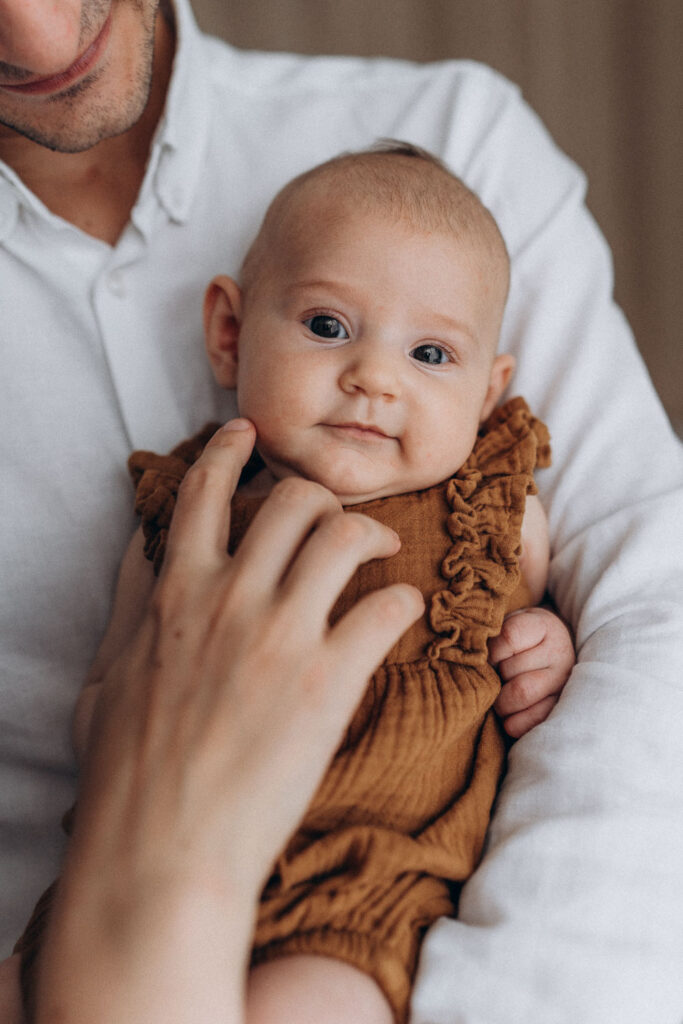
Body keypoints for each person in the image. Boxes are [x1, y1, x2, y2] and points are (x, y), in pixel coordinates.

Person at [1, 1, 682, 1022]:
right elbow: (114, 675)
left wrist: (537, 648)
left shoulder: (489, 508)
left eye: (429, 356)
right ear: (228, 337)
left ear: (489, 391)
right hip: (114, 872)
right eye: (326, 327)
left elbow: (599, 611)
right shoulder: (191, 495)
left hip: (358, 880)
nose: (371, 379)